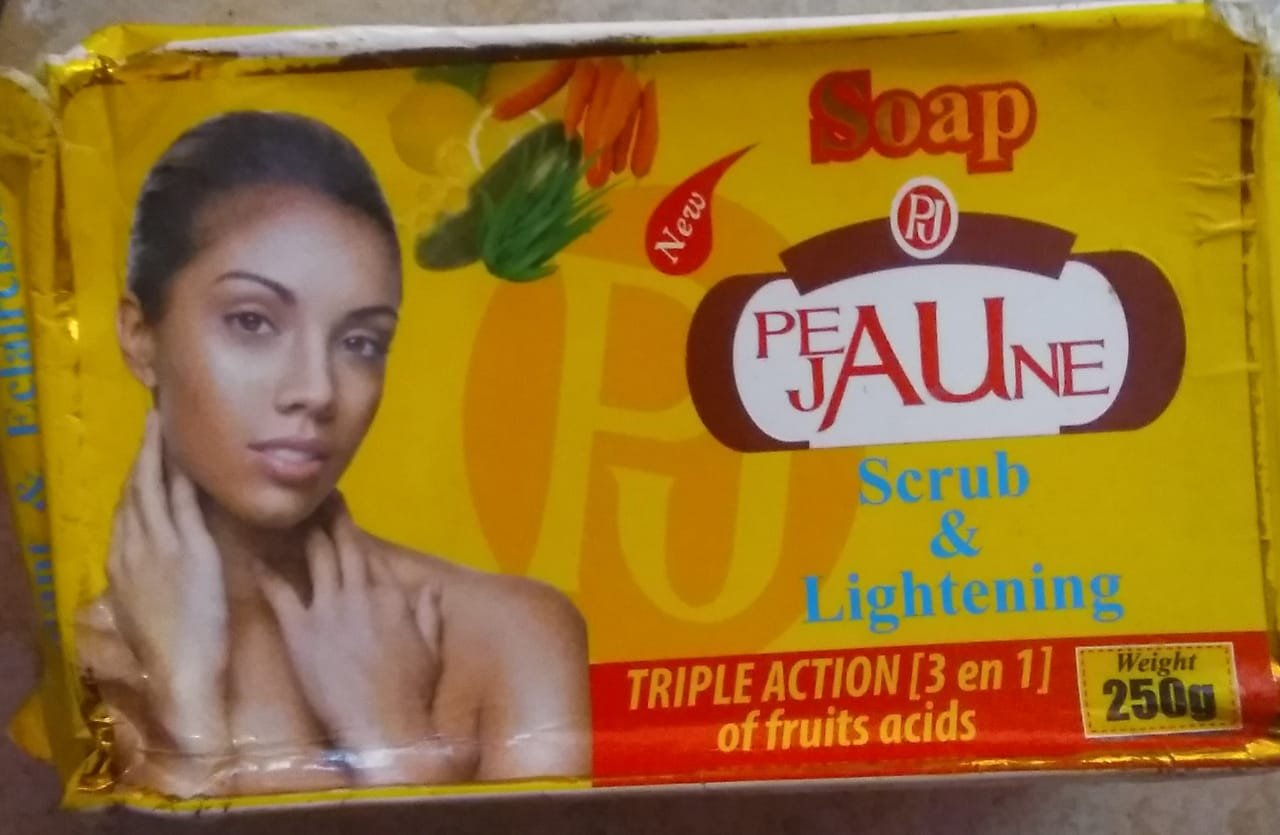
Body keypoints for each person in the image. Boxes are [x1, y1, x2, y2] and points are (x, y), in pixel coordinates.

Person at [72, 111, 591, 798]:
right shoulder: (85, 669)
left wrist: (392, 738)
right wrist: (187, 707)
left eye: (359, 342)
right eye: (253, 321)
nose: (317, 391)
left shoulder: (506, 633)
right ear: (140, 337)